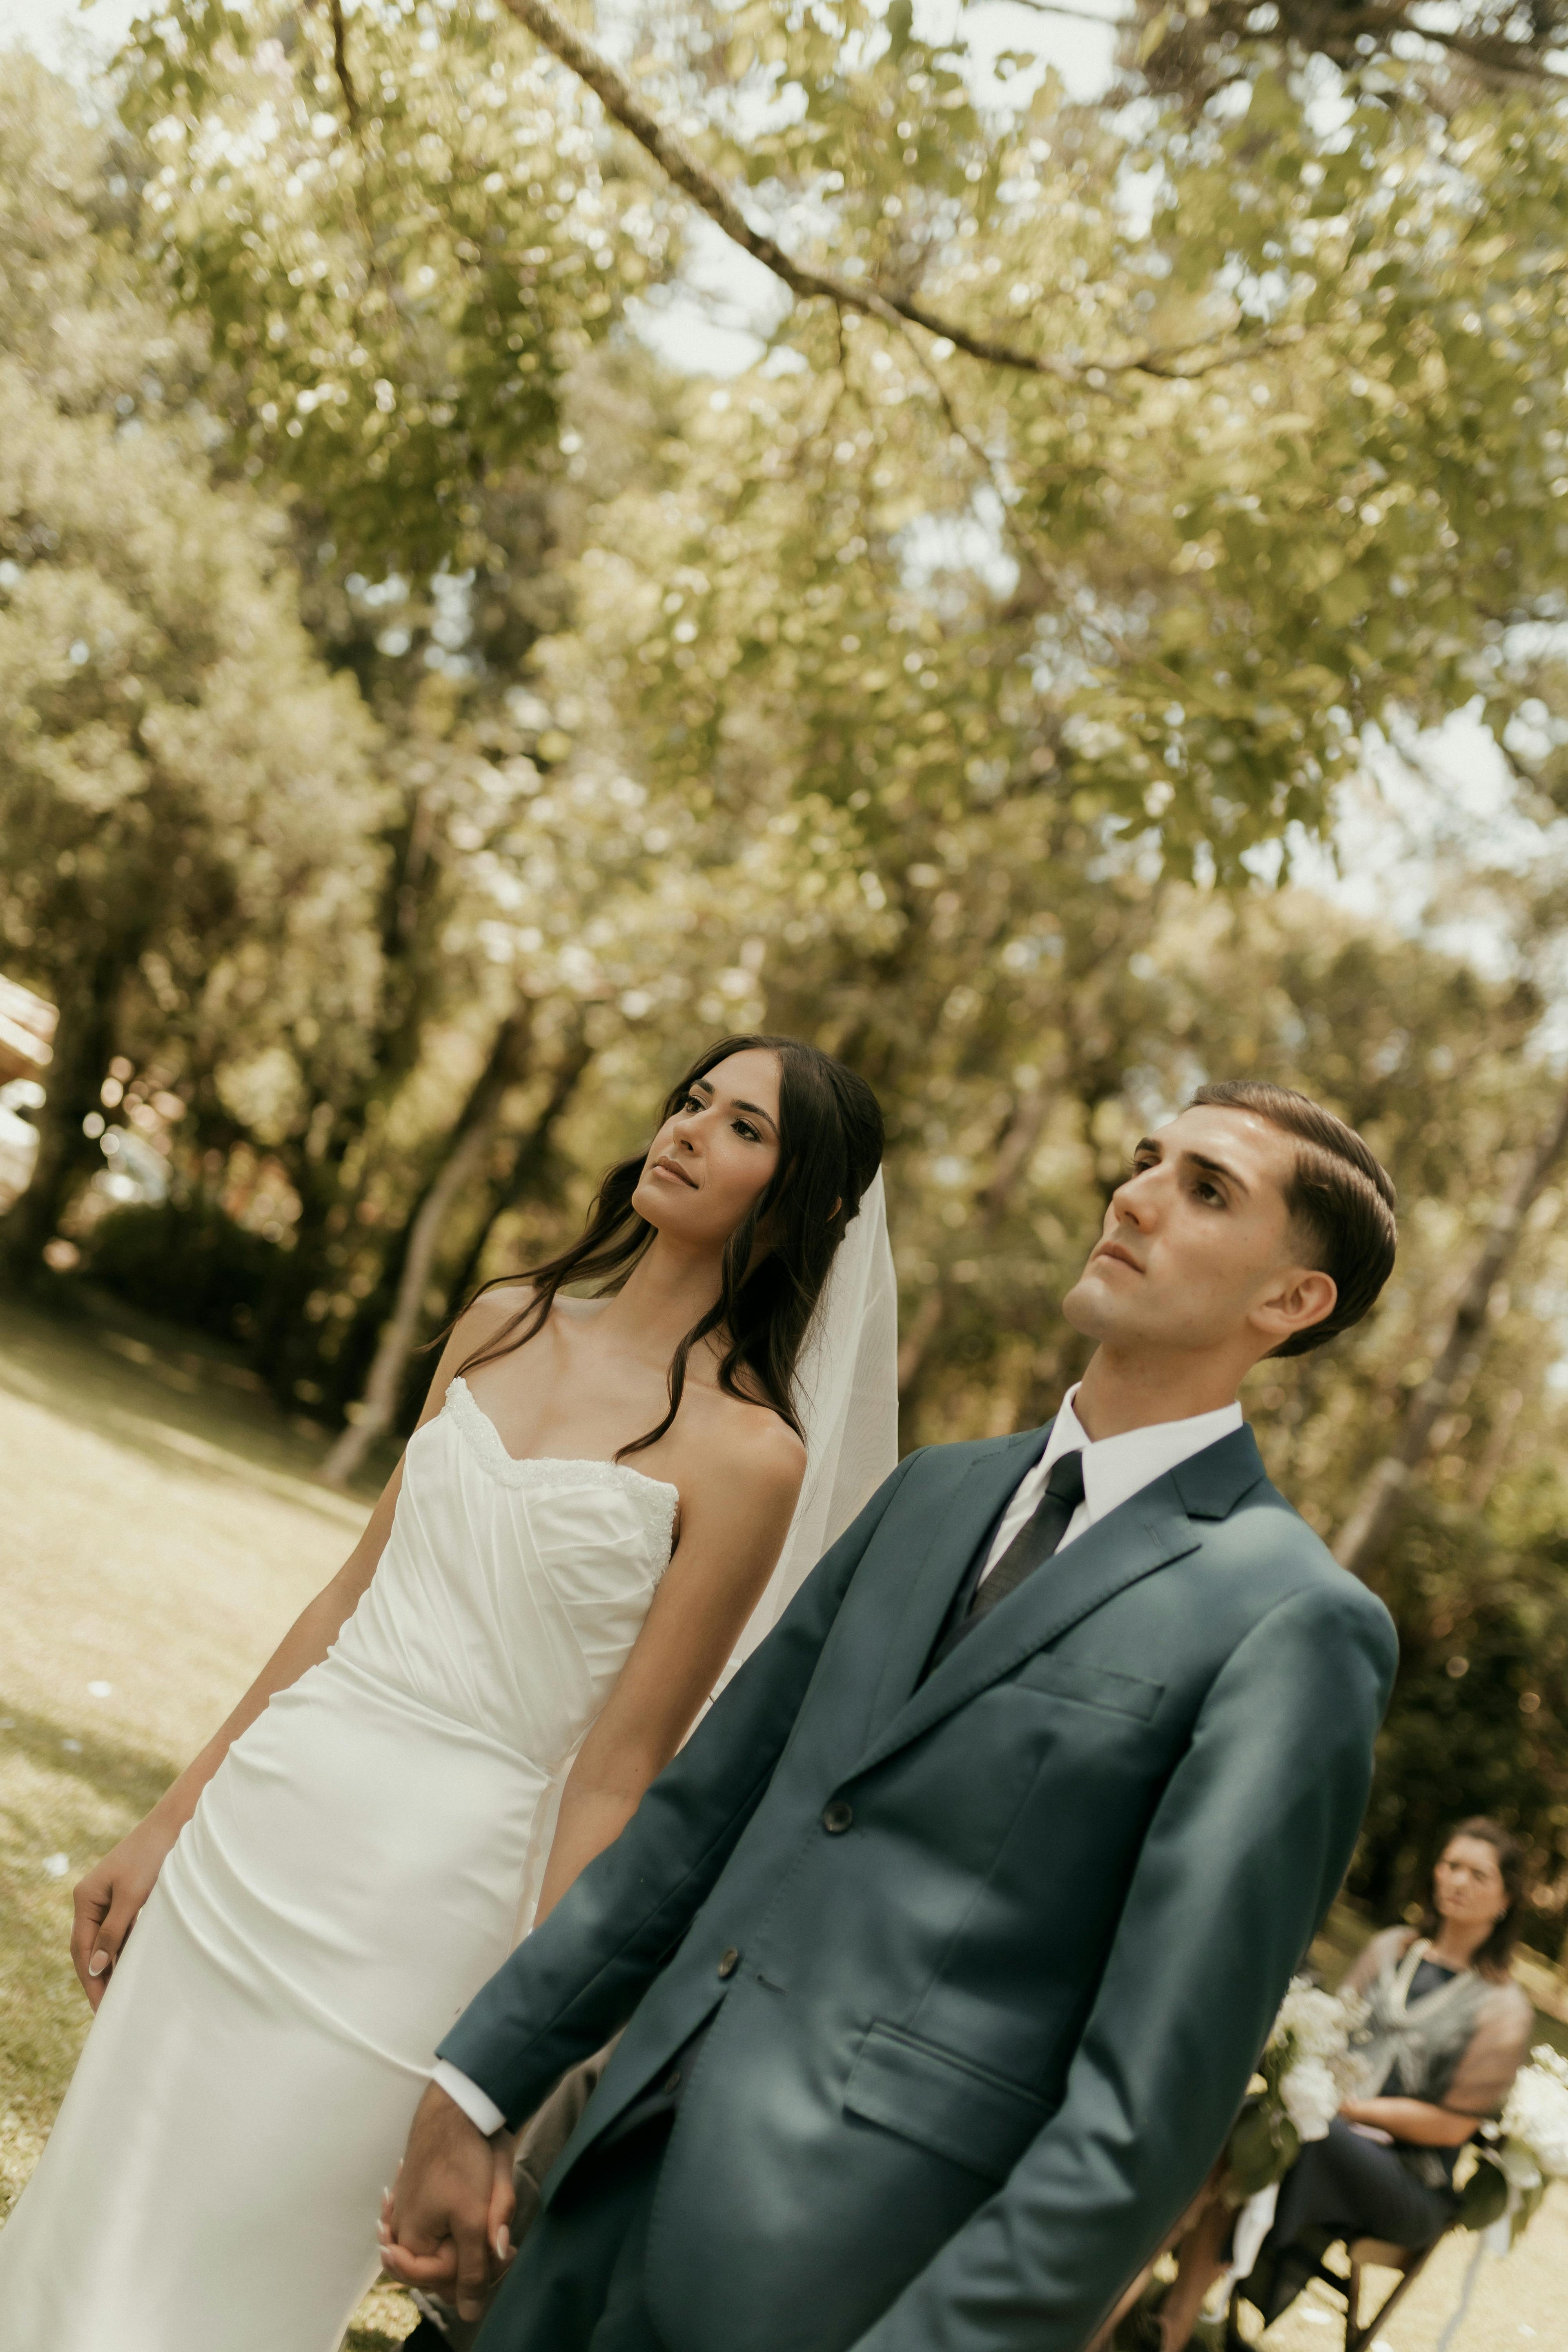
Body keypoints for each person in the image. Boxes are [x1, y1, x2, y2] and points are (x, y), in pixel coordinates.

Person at [380, 1078, 1404, 2352]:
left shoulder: (1292, 1619)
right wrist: (480, 2085)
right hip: (600, 2178)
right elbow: (696, 1822)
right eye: (1147, 1160)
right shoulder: (931, 1492)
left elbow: (1148, 2107)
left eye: (1206, 1191)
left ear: (1292, 1301)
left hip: (856, 2281)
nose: (1136, 1196)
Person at [0, 1034, 894, 2352]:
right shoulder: (502, 1318)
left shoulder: (751, 1457)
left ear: (809, 1199)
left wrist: (519, 2055)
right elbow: (345, 1597)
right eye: (692, 1100)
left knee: (233, 2275)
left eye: (745, 1126)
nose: (692, 1130)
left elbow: (619, 1768)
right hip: (260, 1827)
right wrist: (167, 1819)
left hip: (427, 1909)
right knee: (98, 2209)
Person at [1150, 1816, 1536, 2345]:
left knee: (1292, 2136)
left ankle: (1170, 2311)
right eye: (1450, 1865)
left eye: (1478, 1875)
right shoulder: (1393, 1947)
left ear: (1507, 1898)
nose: (1457, 1881)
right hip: (1321, 2131)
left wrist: (1348, 2111)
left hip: (1407, 2181)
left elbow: (1452, 2128)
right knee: (1264, 2125)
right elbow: (1327, 2036)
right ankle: (1170, 2306)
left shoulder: (1502, 2007)